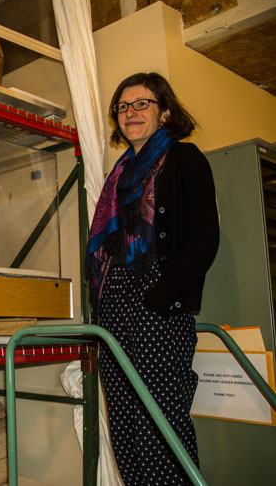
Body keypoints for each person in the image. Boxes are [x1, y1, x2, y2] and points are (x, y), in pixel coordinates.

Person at [86, 72, 219, 485]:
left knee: (160, 421)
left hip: (156, 305)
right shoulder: (120, 175)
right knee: (125, 422)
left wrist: (161, 297)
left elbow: (203, 238)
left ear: (164, 112)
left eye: (141, 103)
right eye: (123, 107)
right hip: (115, 306)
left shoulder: (184, 159)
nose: (131, 113)